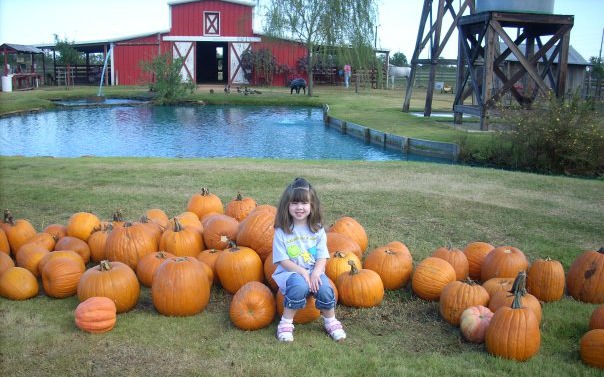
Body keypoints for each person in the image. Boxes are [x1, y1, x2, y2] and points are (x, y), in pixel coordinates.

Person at [272, 177, 346, 342]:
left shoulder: (317, 229)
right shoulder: (282, 231)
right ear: (287, 205)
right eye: (295, 203)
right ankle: (285, 323)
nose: (299, 207)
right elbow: (282, 260)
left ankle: (330, 321)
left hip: (314, 270)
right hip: (291, 271)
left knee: (326, 289)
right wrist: (302, 272)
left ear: (312, 206)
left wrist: (316, 274)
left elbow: (321, 257)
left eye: (304, 203)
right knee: (299, 286)